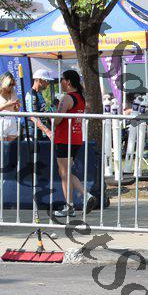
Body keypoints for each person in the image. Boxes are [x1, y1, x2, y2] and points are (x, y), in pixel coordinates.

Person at [53, 70, 96, 217]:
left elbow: (57, 119)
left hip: (65, 139)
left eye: (62, 79)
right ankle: (75, 202)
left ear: (68, 81)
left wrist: (51, 114)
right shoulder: (80, 97)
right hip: (76, 138)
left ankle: (78, 200)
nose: (61, 82)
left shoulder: (67, 98)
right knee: (65, 172)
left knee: (64, 173)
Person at [25, 69, 53, 140]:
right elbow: (33, 116)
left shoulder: (39, 93)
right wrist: (47, 131)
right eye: (47, 81)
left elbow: (42, 111)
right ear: (40, 80)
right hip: (33, 131)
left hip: (40, 130)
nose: (48, 83)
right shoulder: (32, 95)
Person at [0, 72, 20, 141]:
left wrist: (17, 106)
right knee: (2, 146)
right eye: (9, 84)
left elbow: (16, 110)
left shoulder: (13, 91)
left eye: (12, 84)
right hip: (1, 120)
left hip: (12, 120)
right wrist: (7, 105)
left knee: (12, 146)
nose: (11, 86)